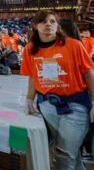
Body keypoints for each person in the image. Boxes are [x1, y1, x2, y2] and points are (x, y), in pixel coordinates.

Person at [22, 10, 94, 170]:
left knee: (63, 154)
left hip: (75, 105)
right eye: (43, 21)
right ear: (35, 26)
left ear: (57, 25)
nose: (48, 24)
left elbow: (89, 72)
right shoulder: (30, 49)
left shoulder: (73, 45)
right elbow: (33, 77)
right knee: (70, 152)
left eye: (52, 21)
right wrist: (29, 99)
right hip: (47, 106)